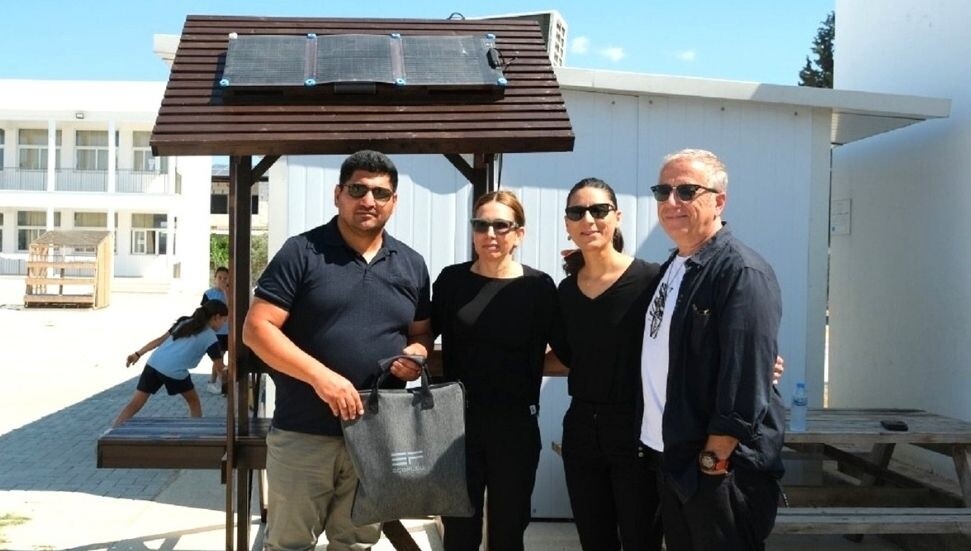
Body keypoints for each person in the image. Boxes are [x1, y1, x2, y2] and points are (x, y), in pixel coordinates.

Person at [242, 150, 433, 551]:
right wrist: (322, 378)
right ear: (338, 194)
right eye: (357, 190)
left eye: (380, 193)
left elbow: (420, 334)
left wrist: (416, 354)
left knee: (356, 544)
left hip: (376, 435)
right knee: (289, 545)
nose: (369, 200)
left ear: (394, 202)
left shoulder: (412, 264)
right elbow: (257, 329)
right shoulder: (302, 252)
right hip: (303, 433)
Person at [641, 149, 785, 550]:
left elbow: (746, 378)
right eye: (662, 191)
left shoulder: (742, 271)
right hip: (676, 461)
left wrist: (713, 460)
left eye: (687, 191)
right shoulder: (674, 268)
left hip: (718, 468)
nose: (671, 202)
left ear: (719, 201)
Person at [431, 190, 558, 551]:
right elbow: (425, 333)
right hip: (457, 425)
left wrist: (529, 368)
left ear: (519, 233)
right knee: (459, 532)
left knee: (508, 530)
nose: (490, 234)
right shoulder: (451, 281)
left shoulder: (538, 287)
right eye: (481, 225)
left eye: (501, 225)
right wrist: (413, 351)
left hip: (515, 426)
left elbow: (567, 350)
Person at [551, 177, 664, 551]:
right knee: (594, 539)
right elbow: (568, 356)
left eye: (599, 210)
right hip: (582, 428)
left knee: (640, 539)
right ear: (567, 224)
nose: (588, 220)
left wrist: (757, 362)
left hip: (636, 428)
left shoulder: (652, 280)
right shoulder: (566, 292)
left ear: (617, 217)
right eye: (577, 212)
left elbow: (689, 340)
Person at [112, 299, 229, 427]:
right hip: (174, 370)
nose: (224, 324)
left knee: (135, 403)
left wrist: (137, 354)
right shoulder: (210, 337)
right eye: (224, 320)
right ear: (217, 317)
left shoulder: (184, 322)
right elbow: (220, 368)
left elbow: (160, 340)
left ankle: (113, 430)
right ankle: (195, 431)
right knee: (193, 402)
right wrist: (229, 381)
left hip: (154, 363)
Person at [201, 265, 230, 395]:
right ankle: (217, 382)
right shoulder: (208, 294)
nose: (222, 280)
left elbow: (231, 309)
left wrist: (226, 292)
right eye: (220, 278)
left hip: (229, 331)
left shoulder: (230, 292)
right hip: (216, 332)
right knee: (219, 357)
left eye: (225, 278)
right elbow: (203, 312)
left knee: (229, 358)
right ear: (215, 278)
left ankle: (218, 381)